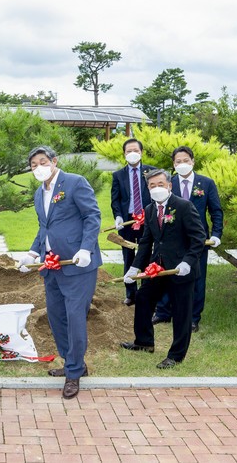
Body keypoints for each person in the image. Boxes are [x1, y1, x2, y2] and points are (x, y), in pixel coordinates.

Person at [16, 146, 102, 400]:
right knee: (57, 318)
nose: (38, 167)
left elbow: (92, 216)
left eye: (42, 162)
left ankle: (73, 373)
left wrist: (86, 248)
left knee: (75, 318)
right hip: (51, 266)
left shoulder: (75, 182)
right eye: (33, 165)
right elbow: (44, 228)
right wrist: (32, 253)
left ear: (54, 161)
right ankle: (72, 362)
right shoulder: (38, 193)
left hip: (77, 264)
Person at [120, 169, 205, 369]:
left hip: (181, 269)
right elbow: (146, 241)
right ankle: (144, 342)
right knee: (143, 298)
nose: (156, 188)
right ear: (148, 188)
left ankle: (176, 356)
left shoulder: (184, 206)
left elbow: (199, 238)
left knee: (181, 312)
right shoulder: (150, 209)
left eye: (160, 184)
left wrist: (187, 262)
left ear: (169, 186)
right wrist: (134, 268)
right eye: (152, 185)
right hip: (157, 268)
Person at [152, 146, 223, 333]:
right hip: (171, 239)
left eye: (185, 160)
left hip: (197, 240)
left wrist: (216, 234)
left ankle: (193, 317)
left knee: (197, 278)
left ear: (192, 161)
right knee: (167, 275)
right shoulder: (168, 183)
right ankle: (163, 311)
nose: (182, 164)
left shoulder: (206, 183)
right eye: (178, 161)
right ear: (173, 164)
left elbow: (216, 211)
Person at [110, 139, 156, 306]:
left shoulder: (151, 172)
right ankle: (131, 293)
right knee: (128, 256)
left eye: (135, 150)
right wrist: (118, 216)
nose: (132, 153)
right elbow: (115, 199)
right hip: (128, 221)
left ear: (141, 152)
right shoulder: (118, 175)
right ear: (124, 154)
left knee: (146, 255)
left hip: (147, 220)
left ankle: (146, 292)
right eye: (129, 151)